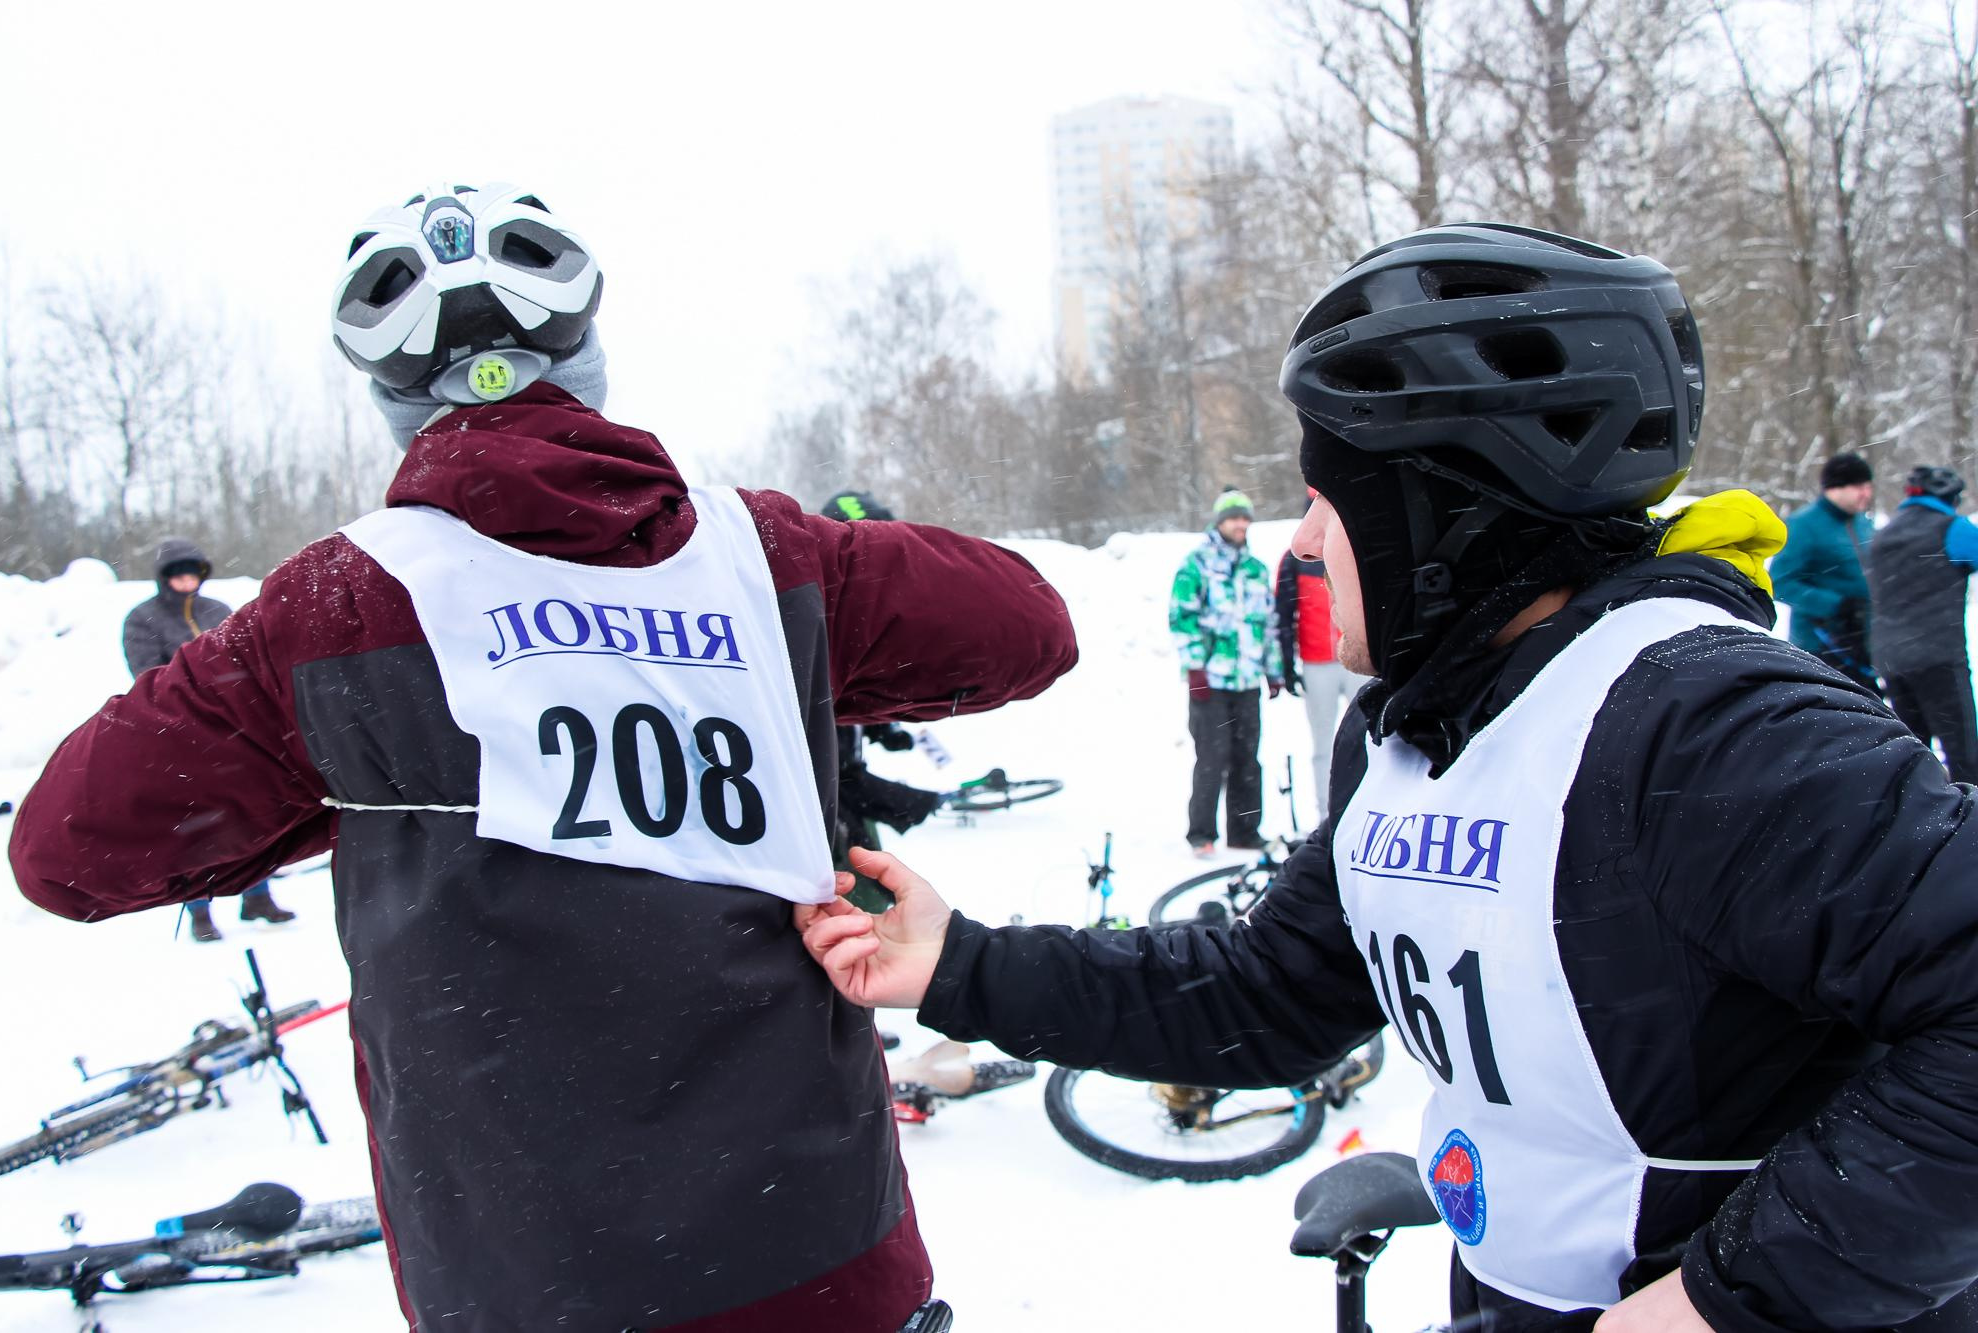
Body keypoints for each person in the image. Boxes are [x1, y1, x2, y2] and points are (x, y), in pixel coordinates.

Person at [797, 225, 1978, 1332]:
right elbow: (1267, 993)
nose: (1302, 543)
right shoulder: (1415, 735)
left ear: (1436, 514)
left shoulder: (1699, 721)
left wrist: (1724, 1302)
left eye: (1325, 501)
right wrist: (963, 964)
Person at [11, 183, 1078, 1333]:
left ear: (390, 402)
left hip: (527, 1275)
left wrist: (350, 766)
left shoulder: (329, 612)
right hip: (821, 1249)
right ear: (590, 360)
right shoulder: (764, 559)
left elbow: (67, 849)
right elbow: (1027, 628)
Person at [120, 537, 294, 941]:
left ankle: (257, 895)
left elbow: (249, 658)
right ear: (164, 577)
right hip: (181, 734)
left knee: (253, 816)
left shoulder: (218, 611)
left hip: (237, 730)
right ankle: (199, 908)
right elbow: (148, 677)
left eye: (191, 570)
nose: (185, 579)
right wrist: (196, 698)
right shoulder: (142, 618)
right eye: (176, 572)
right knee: (198, 827)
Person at [820, 488, 947, 912]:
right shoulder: (812, 627)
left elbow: (852, 691)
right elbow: (829, 777)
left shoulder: (850, 620)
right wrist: (911, 802)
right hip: (826, 829)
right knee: (858, 918)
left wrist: (881, 727)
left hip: (849, 814)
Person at [1170, 486, 1285, 854]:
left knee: (1248, 758)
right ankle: (1202, 834)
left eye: (1245, 518)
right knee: (1212, 756)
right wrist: (1195, 668)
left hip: (1247, 678)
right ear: (1220, 522)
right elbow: (1181, 617)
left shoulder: (1255, 569)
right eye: (1234, 518)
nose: (1240, 524)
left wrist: (1273, 670)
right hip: (1212, 681)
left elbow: (1267, 624)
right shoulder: (1197, 564)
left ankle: (1245, 831)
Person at [1866, 464, 1978, 783]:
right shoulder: (1951, 528)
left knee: (1912, 754)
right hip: (1938, 657)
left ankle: (1915, 823)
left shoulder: (1882, 535)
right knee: (1964, 753)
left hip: (1891, 659)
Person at [1275, 489, 1369, 820]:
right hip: (1317, 663)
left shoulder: (1354, 550)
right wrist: (1287, 663)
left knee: (1369, 737)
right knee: (1323, 743)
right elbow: (1284, 614)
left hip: (1357, 660)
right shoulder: (1294, 559)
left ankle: (1364, 807)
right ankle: (1326, 813)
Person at [1770, 451, 1877, 692]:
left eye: (1868, 486)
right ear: (1835, 488)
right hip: (1820, 645)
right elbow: (1780, 583)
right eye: (1859, 486)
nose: (1866, 493)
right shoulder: (1804, 525)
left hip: (1863, 642)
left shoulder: (1863, 523)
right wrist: (1837, 606)